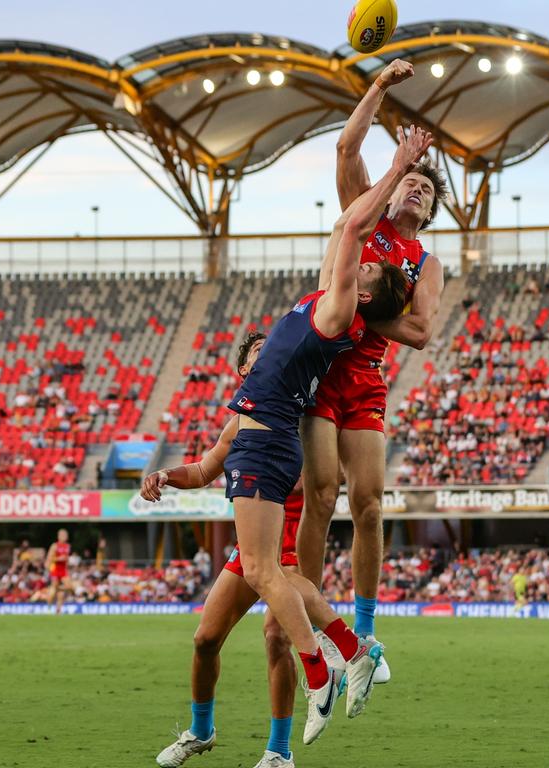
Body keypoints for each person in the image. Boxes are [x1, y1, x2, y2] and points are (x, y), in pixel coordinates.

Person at [211, 126, 426, 749]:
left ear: (360, 288)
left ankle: (338, 654)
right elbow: (345, 172)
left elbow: (355, 235)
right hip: (295, 430)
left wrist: (398, 163)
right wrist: (379, 90)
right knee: (274, 581)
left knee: (285, 570)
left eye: (363, 267)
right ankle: (328, 673)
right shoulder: (332, 291)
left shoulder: (340, 305)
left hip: (296, 429)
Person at [299, 60, 447, 685]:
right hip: (321, 361)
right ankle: (304, 613)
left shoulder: (427, 261)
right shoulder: (367, 217)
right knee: (322, 495)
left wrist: (350, 295)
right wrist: (380, 87)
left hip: (365, 375)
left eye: (427, 189)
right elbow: (346, 145)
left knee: (370, 504)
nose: (416, 189)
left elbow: (420, 331)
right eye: (411, 180)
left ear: (433, 209)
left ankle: (364, 633)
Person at [149, 333, 305, 767]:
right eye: (260, 351)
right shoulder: (238, 423)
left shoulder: (302, 411)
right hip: (251, 550)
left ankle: (279, 753)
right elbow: (202, 469)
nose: (272, 353)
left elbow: (322, 481)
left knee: (276, 639)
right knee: (205, 640)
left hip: (293, 545)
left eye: (276, 347)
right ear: (243, 371)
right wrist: (164, 474)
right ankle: (201, 731)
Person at [45, 529, 71, 612]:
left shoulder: (68, 546)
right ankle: (49, 607)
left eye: (66, 535)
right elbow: (49, 558)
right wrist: (58, 559)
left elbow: (66, 559)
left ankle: (58, 609)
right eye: (63, 535)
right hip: (55, 570)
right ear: (59, 536)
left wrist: (67, 563)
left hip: (63, 571)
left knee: (69, 586)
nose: (65, 537)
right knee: (53, 590)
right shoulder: (55, 546)